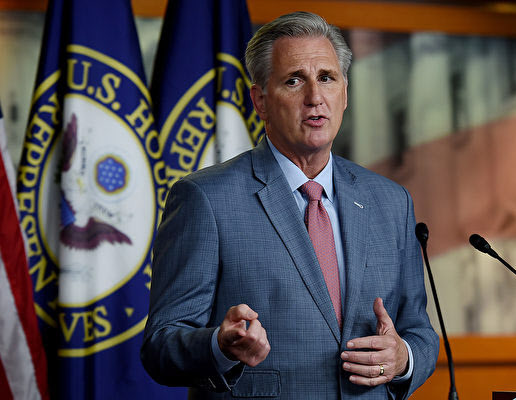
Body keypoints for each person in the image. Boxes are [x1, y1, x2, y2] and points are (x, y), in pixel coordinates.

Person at [141, 11, 439, 399]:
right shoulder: (205, 199)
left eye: (327, 79)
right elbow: (161, 345)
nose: (315, 97)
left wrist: (402, 358)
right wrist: (218, 344)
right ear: (260, 100)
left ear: (344, 94)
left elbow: (419, 331)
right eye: (294, 80)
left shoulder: (390, 201)